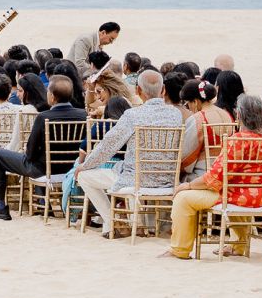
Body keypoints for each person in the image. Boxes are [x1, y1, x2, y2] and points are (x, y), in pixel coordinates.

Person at [166, 95, 262, 259]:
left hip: (236, 196)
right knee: (232, 189)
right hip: (261, 197)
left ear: (239, 116)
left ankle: (180, 250)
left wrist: (188, 185)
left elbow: (215, 177)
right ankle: (238, 245)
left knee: (183, 199)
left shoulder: (237, 140)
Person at [72, 70, 183, 236]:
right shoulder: (176, 114)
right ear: (163, 90)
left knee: (83, 176)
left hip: (135, 179)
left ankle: (111, 221)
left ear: (138, 90)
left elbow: (107, 146)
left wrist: (85, 165)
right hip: (167, 179)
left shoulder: (133, 115)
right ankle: (121, 222)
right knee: (119, 167)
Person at [0, 76, 83, 221]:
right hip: (70, 169)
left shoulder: (44, 117)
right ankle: (42, 201)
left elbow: (30, 152)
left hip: (42, 169)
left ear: (53, 97)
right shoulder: (83, 115)